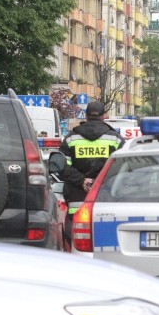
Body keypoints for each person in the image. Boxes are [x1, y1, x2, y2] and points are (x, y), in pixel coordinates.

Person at [59, 100, 125, 241]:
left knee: (76, 241)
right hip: (107, 198)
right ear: (103, 116)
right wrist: (102, 182)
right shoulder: (115, 139)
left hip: (78, 199)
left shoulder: (71, 138)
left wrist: (82, 180)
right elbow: (123, 169)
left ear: (86, 116)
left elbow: (62, 167)